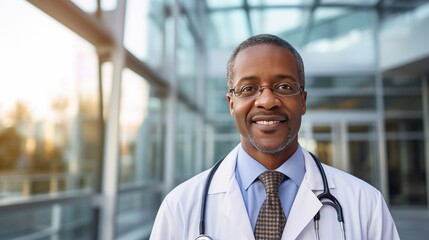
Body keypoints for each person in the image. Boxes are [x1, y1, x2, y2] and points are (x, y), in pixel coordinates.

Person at [149, 34, 400, 240]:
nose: (267, 101)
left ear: (302, 102)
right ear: (231, 104)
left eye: (284, 87)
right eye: (248, 89)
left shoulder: (366, 206)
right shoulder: (180, 207)